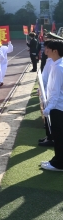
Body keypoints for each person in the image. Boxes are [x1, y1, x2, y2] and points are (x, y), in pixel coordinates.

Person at [40, 40, 63, 171]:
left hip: (58, 107)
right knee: (58, 135)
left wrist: (49, 108)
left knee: (59, 136)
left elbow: (56, 91)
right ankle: (56, 159)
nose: (46, 50)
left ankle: (59, 164)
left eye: (48, 48)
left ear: (55, 51)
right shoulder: (56, 64)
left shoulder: (59, 67)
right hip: (57, 106)